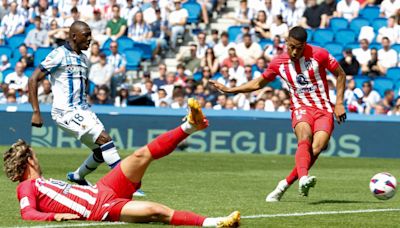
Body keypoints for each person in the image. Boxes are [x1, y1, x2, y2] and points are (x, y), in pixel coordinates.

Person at [4, 98, 240, 226]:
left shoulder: (42, 182)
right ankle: (213, 223)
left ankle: (190, 125)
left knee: (139, 155)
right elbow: (28, 213)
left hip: (103, 189)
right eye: (34, 155)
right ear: (29, 161)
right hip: (100, 208)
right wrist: (54, 217)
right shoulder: (26, 187)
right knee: (155, 210)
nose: (38, 158)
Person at [210, 26, 347, 201]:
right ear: (286, 42)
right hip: (301, 108)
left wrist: (339, 103)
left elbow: (340, 74)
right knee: (304, 137)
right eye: (291, 46)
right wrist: (231, 90)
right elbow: (258, 83)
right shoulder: (278, 63)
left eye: (299, 47)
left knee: (317, 148)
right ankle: (303, 178)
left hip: (324, 109)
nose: (295, 51)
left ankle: (283, 185)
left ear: (305, 44)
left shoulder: (319, 54)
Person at [28, 21, 123, 186]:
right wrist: (36, 111)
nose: (90, 39)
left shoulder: (84, 59)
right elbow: (33, 79)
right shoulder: (58, 54)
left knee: (100, 152)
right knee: (105, 139)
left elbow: (83, 84)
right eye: (86, 35)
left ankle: (77, 176)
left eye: (90, 35)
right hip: (65, 112)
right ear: (73, 36)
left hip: (82, 110)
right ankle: (125, 183)